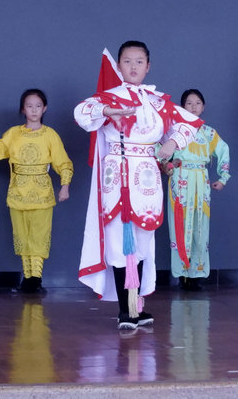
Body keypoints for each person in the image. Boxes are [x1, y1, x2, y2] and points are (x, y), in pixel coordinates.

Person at [75, 41, 201, 330]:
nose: (133, 67)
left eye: (139, 61)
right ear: (119, 66)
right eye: (127, 61)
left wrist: (171, 142)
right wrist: (108, 112)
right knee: (120, 244)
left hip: (147, 179)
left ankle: (136, 307)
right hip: (117, 179)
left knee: (143, 245)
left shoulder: (158, 101)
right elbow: (81, 113)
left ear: (148, 66)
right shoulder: (108, 98)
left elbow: (190, 123)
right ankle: (125, 310)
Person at [0, 88, 73, 294]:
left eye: (38, 106)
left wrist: (65, 185)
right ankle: (27, 278)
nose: (33, 110)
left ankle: (35, 279)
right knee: (22, 236)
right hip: (18, 192)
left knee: (39, 235)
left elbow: (63, 162)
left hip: (42, 194)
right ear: (23, 110)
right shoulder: (13, 133)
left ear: (44, 108)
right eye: (29, 106)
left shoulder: (50, 135)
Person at [163, 89, 230, 291]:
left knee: (201, 225)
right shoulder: (173, 132)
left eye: (197, 103)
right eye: (189, 103)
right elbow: (161, 154)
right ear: (181, 107)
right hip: (180, 179)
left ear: (203, 107)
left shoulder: (209, 132)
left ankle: (197, 273)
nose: (193, 107)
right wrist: (167, 164)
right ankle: (182, 272)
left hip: (201, 181)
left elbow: (224, 151)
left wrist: (223, 178)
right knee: (180, 225)